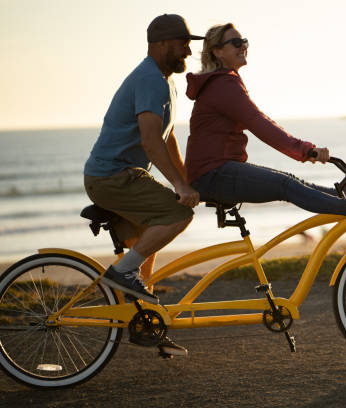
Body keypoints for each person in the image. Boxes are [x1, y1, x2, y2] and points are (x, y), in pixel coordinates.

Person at [84, 14, 203, 357]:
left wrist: (187, 180)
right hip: (114, 176)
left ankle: (146, 323)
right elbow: (151, 142)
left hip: (118, 175)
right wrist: (180, 188)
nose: (188, 50)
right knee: (176, 216)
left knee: (144, 250)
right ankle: (121, 273)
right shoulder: (150, 79)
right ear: (162, 44)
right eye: (183, 43)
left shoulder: (163, 81)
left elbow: (167, 139)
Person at [184, 23, 346, 224]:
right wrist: (305, 150)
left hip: (216, 171)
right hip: (213, 175)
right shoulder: (223, 85)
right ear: (217, 51)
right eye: (235, 43)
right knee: (285, 185)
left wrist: (304, 151)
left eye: (244, 41)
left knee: (290, 180)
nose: (243, 46)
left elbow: (260, 120)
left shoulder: (223, 82)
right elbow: (259, 123)